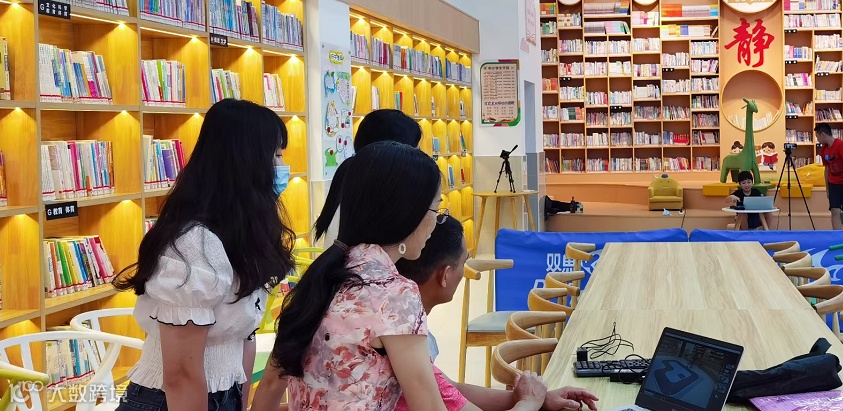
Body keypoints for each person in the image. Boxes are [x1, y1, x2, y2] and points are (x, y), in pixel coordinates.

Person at [254, 141, 543, 411]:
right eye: (436, 209)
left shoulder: (319, 276)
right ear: (408, 215)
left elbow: (269, 387)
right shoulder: (394, 293)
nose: (436, 222)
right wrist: (530, 402)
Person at [112, 99, 295, 411]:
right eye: (276, 155)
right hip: (167, 401)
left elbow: (245, 337)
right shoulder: (193, 243)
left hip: (223, 394)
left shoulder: (244, 233)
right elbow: (181, 376)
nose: (281, 167)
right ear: (245, 161)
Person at [394, 216, 599, 411]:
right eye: (464, 263)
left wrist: (536, 398)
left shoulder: (402, 324)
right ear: (445, 275)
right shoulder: (404, 341)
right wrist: (529, 402)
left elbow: (450, 391)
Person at [315, 109, 422, 246]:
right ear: (393, 153)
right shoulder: (374, 195)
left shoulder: (355, 178)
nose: (418, 158)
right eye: (415, 151)